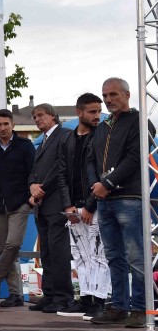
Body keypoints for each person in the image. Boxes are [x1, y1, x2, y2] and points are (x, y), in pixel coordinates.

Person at [88, 77, 155, 328]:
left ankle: (140, 308)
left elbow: (135, 158)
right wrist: (96, 185)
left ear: (127, 94)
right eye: (105, 95)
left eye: (113, 94)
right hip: (104, 200)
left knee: (136, 257)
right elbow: (90, 159)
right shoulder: (102, 126)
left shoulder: (140, 121)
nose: (108, 99)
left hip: (129, 198)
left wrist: (106, 183)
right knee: (113, 256)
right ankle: (119, 306)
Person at [55, 93, 111, 319]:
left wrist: (90, 205)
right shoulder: (67, 139)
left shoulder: (102, 136)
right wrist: (68, 205)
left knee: (99, 255)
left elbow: (101, 174)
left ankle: (100, 301)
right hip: (73, 207)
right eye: (92, 111)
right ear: (79, 112)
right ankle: (86, 299)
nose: (97, 116)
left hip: (96, 205)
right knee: (80, 255)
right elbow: (61, 174)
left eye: (99, 111)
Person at [0, 109, 35, 308]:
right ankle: (15, 294)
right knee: (4, 249)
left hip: (20, 203)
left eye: (6, 124)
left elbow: (34, 172)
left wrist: (30, 199)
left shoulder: (25, 146)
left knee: (13, 245)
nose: (2, 128)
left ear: (13, 124)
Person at [27, 104, 72, 313]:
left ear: (53, 116)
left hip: (57, 202)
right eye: (34, 117)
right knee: (46, 252)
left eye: (40, 115)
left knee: (58, 252)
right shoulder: (42, 142)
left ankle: (62, 297)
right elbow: (34, 170)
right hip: (42, 206)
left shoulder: (64, 135)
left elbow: (61, 167)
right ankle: (50, 294)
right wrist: (32, 185)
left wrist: (41, 189)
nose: (37, 119)